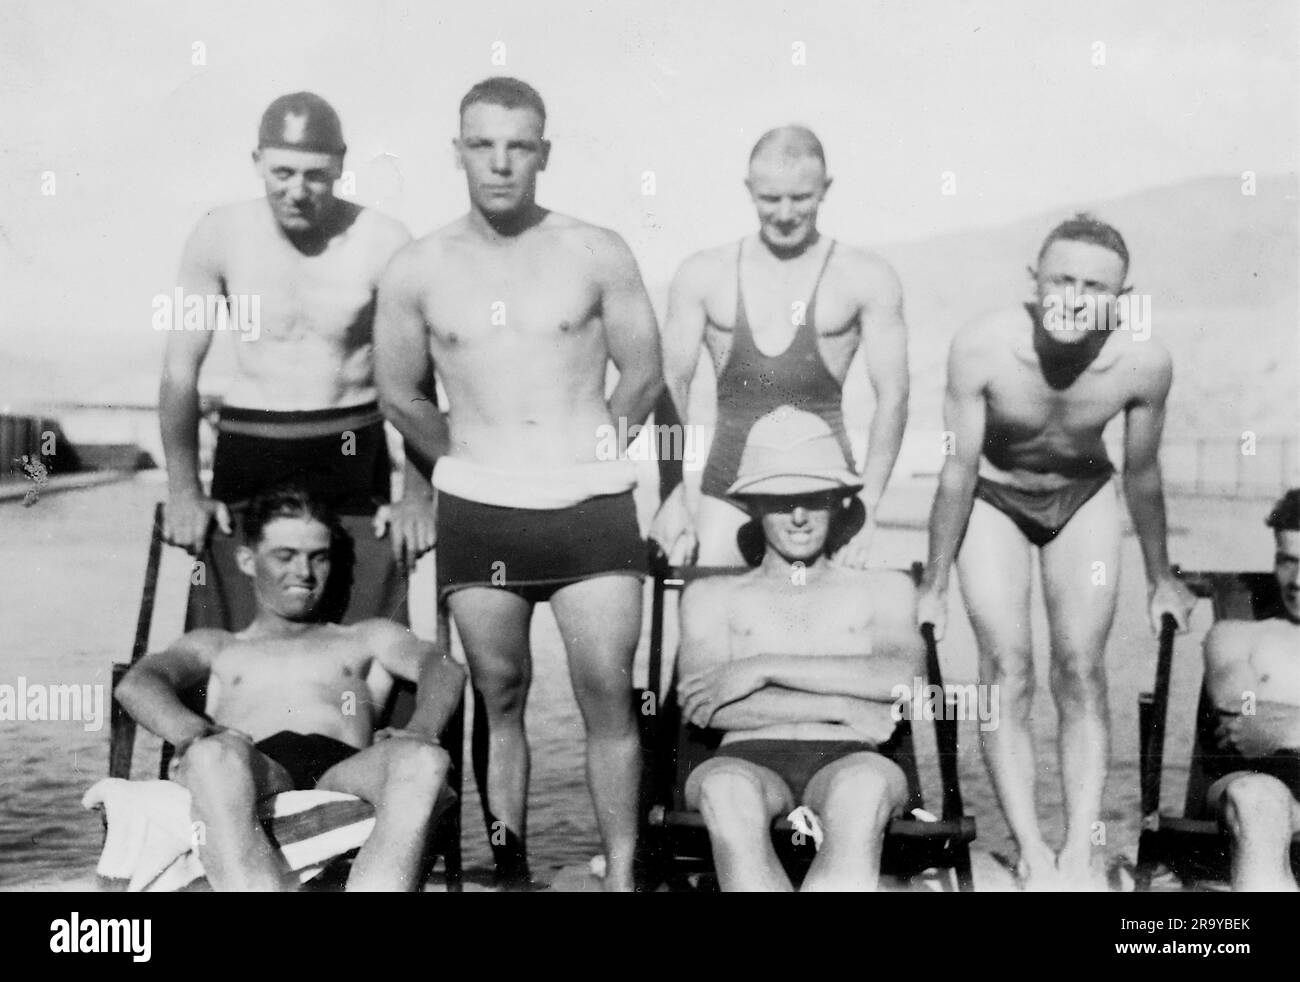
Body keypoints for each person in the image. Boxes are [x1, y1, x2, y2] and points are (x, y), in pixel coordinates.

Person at [374, 77, 663, 891]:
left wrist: (595, 450)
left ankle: (621, 877)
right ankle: (510, 874)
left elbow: (642, 372)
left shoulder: (595, 249)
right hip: (482, 509)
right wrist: (464, 462)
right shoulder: (417, 266)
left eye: (519, 145)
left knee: (607, 692)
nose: (500, 163)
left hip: (590, 505)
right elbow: (400, 393)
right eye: (482, 144)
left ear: (544, 151)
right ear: (457, 149)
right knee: (500, 694)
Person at [917, 213, 1196, 889]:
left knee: (1080, 668)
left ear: (1122, 298)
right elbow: (958, 470)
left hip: (1083, 498)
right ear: (1033, 284)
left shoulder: (1143, 362)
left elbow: (1143, 474)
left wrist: (1161, 577)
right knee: (1005, 667)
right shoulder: (982, 347)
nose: (1074, 296)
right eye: (1061, 279)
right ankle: (1033, 852)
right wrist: (933, 584)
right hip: (995, 497)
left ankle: (1078, 850)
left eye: (1095, 286)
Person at [159, 91, 434, 634]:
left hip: (351, 441)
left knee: (362, 617)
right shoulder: (218, 233)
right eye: (283, 172)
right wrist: (185, 490)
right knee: (234, 618)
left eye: (317, 176)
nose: (298, 191)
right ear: (256, 161)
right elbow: (179, 371)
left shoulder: (384, 240)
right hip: (250, 441)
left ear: (341, 165)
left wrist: (417, 499)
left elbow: (417, 380)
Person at [115, 485, 465, 892]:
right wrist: (190, 732)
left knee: (424, 761)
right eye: (285, 556)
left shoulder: (365, 636)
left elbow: (442, 667)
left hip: (346, 769)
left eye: (318, 557)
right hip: (254, 765)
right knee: (209, 756)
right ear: (247, 560)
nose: (303, 572)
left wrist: (422, 728)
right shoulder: (217, 645)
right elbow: (138, 683)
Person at [676, 406, 923, 891]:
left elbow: (903, 682)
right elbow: (705, 705)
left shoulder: (883, 589)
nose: (799, 515)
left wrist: (760, 667)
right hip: (741, 758)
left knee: (863, 791)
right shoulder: (711, 597)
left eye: (815, 497)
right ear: (752, 505)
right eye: (779, 499)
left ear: (838, 500)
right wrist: (842, 703)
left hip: (853, 757)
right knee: (726, 793)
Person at [654, 125, 908, 567]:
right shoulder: (703, 274)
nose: (786, 213)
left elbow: (894, 395)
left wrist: (868, 506)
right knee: (709, 620)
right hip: (726, 486)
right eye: (770, 199)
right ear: (749, 190)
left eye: (802, 198)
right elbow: (670, 384)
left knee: (823, 629)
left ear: (825, 190)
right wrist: (672, 495)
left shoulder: (865, 275)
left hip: (823, 491)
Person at [1202, 488, 1300, 891]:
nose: (1297, 581)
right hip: (1263, 779)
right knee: (1257, 799)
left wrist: (1285, 728)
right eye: (1287, 561)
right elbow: (1241, 717)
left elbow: (1268, 727)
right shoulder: (1236, 635)